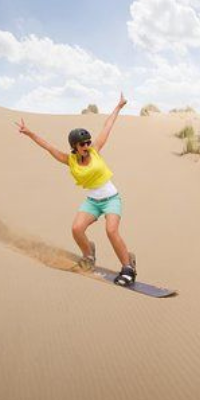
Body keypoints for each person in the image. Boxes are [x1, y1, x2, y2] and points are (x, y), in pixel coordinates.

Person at [16, 93, 136, 287]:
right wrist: (28, 132)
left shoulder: (95, 150)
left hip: (111, 198)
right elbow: (47, 146)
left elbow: (107, 126)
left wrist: (118, 107)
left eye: (88, 142)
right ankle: (89, 255)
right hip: (92, 201)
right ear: (74, 147)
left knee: (111, 231)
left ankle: (128, 268)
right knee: (76, 229)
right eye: (83, 144)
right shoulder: (69, 160)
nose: (87, 145)